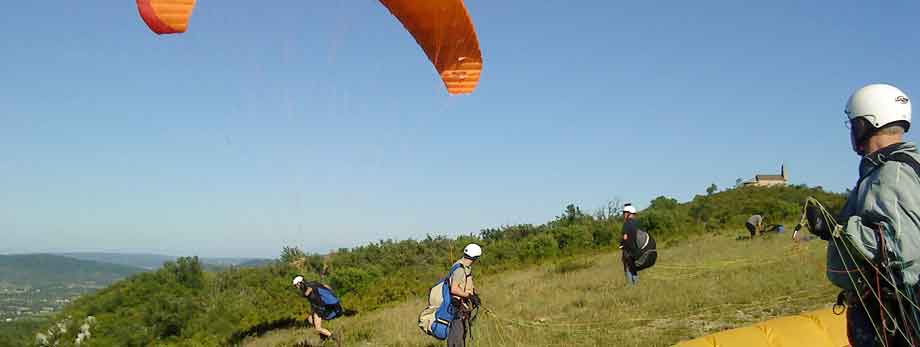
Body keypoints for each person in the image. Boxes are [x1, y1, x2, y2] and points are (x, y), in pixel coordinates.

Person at [812, 83, 920, 346]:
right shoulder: (898, 169)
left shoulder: (890, 174)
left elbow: (899, 247)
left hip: (892, 320)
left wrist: (836, 229)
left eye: (854, 125)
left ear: (865, 124)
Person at [292, 276, 342, 346]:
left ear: (300, 283)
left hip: (319, 308)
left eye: (296, 285)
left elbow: (309, 290)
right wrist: (331, 293)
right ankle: (323, 335)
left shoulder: (307, 287)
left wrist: (305, 294)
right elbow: (325, 286)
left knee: (318, 328)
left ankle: (333, 337)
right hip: (320, 307)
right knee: (310, 319)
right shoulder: (313, 282)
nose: (296, 287)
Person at [448, 243, 481, 347]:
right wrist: (469, 296)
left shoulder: (466, 267)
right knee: (456, 339)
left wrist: (474, 295)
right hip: (457, 308)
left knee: (461, 335)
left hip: (462, 307)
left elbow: (466, 283)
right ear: (475, 257)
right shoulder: (459, 269)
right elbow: (454, 289)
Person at [620, 204, 641, 285]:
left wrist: (622, 245)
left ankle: (631, 286)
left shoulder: (626, 223)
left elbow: (625, 237)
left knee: (627, 268)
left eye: (625, 213)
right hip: (637, 249)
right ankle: (637, 285)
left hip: (628, 249)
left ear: (629, 213)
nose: (624, 215)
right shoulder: (638, 223)